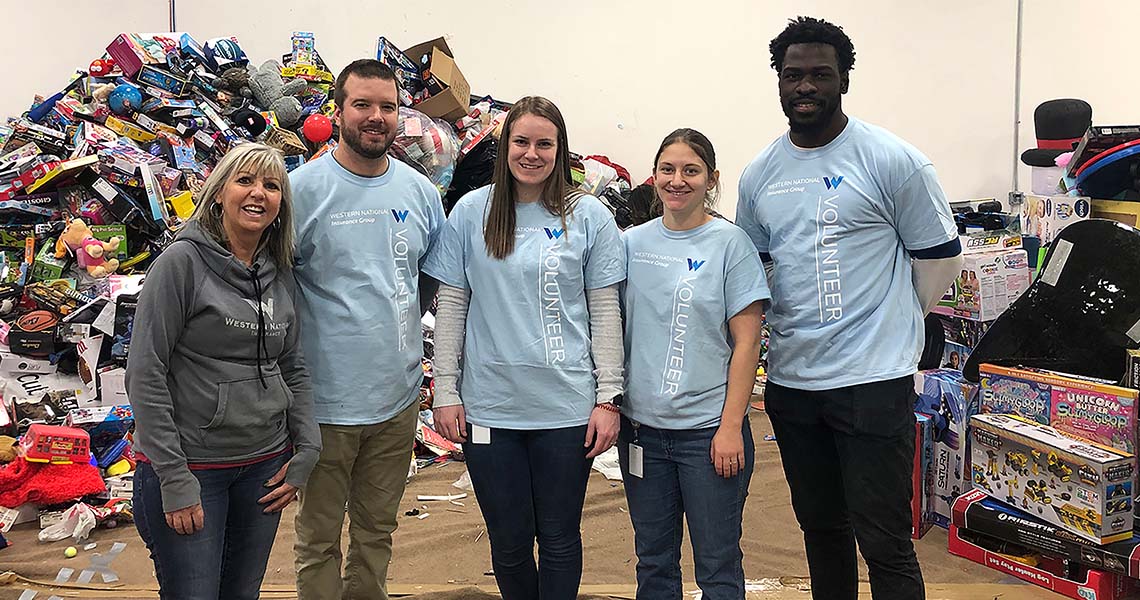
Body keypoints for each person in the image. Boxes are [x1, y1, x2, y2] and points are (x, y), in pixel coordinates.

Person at [735, 16, 964, 600]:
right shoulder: (760, 175)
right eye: (793, 76)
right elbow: (758, 270)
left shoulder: (893, 160)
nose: (805, 86)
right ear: (778, 83)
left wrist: (894, 324)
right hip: (791, 384)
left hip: (872, 382)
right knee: (821, 532)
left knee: (884, 539)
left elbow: (938, 261)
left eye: (820, 74)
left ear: (843, 80)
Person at [426, 96, 626, 600]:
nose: (531, 153)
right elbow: (451, 307)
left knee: (559, 538)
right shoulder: (472, 212)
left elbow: (604, 313)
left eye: (544, 143)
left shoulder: (589, 216)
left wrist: (608, 398)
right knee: (510, 543)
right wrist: (445, 391)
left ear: (561, 150)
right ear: (504, 146)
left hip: (565, 408)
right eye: (521, 141)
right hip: (491, 409)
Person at [127, 142, 320, 600]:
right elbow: (145, 373)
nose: (258, 193)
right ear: (218, 193)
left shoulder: (279, 274)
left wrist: (308, 447)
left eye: (272, 186)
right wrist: (174, 479)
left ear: (281, 205)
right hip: (192, 468)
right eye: (245, 181)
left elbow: (293, 365)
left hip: (263, 469)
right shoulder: (181, 264)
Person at [289, 59, 445, 600]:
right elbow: (277, 290)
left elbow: (429, 278)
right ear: (338, 112)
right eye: (363, 105)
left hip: (397, 402)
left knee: (378, 533)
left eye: (388, 106)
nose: (376, 117)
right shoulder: (301, 190)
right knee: (318, 539)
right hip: (324, 406)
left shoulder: (421, 192)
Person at [619, 128, 769, 599]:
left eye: (691, 171)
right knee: (654, 560)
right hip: (641, 431)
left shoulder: (731, 244)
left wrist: (730, 427)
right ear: (654, 175)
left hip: (708, 434)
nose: (677, 180)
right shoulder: (630, 244)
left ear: (711, 179)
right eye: (668, 169)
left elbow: (747, 344)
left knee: (718, 562)